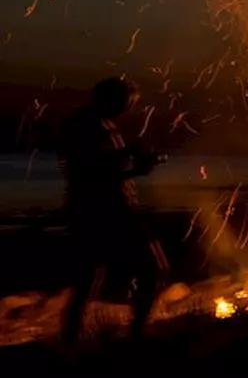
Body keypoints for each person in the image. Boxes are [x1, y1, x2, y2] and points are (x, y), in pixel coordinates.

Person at [58, 75, 169, 345]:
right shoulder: (84, 125)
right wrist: (133, 163)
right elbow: (90, 171)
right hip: (105, 212)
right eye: (126, 102)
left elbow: (106, 166)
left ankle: (73, 342)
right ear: (109, 99)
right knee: (151, 267)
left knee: (89, 279)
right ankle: (134, 334)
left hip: (105, 210)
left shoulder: (99, 124)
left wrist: (132, 163)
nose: (127, 108)